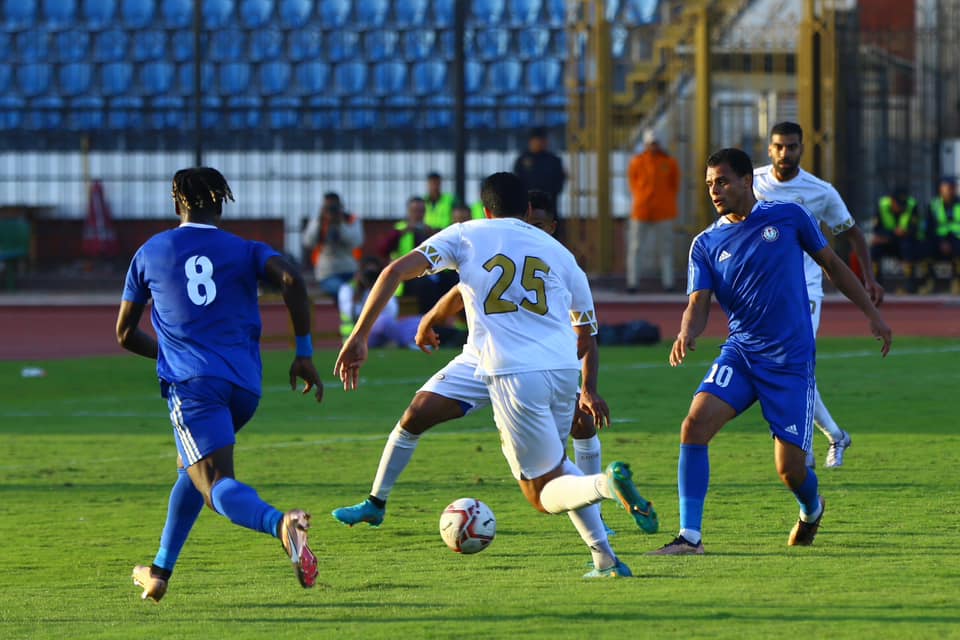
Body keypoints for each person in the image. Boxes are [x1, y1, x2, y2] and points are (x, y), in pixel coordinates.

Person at [334, 172, 657, 578]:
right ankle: (606, 560)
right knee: (419, 413)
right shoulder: (559, 253)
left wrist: (359, 336)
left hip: (513, 369)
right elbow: (586, 329)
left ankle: (605, 488)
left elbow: (392, 273)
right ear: (527, 210)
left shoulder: (467, 233)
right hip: (543, 364)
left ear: (484, 210)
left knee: (543, 494)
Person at [649, 149, 891, 556]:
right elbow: (699, 301)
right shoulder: (705, 243)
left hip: (791, 362)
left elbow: (831, 263)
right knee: (694, 426)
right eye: (709, 184)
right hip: (742, 354)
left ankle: (812, 510)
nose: (715, 190)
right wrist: (686, 332)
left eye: (722, 181)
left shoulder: (789, 217)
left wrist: (871, 313)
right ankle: (690, 537)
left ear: (747, 181)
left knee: (790, 470)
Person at [116, 167, 324, 602]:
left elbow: (123, 333)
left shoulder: (151, 251)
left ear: (177, 204)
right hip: (245, 387)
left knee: (213, 483)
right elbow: (291, 279)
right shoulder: (246, 249)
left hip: (194, 386)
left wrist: (170, 354)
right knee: (190, 470)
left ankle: (280, 526)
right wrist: (303, 352)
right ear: (222, 204)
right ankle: (159, 571)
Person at [753, 121, 884, 469]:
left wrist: (868, 278)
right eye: (779, 146)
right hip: (765, 293)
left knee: (796, 366)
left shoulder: (819, 191)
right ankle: (836, 436)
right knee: (780, 369)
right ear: (769, 149)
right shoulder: (752, 182)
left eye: (792, 146)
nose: (785, 153)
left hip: (805, 289)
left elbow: (853, 234)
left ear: (801, 149)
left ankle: (802, 444)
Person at [626, 129, 681, 293]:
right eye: (650, 144)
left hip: (664, 211)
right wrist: (641, 197)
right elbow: (633, 182)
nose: (653, 147)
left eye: (655, 143)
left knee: (666, 248)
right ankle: (632, 283)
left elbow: (674, 185)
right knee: (636, 248)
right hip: (641, 210)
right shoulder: (637, 161)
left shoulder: (669, 162)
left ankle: (668, 283)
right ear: (645, 144)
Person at [338, 257, 421, 348]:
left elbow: (392, 312)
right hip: (357, 336)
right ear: (359, 274)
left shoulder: (382, 286)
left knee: (418, 320)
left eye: (374, 274)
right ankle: (406, 344)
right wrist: (359, 293)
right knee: (384, 321)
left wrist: (377, 290)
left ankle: (411, 342)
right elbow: (352, 314)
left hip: (383, 332)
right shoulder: (348, 288)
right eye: (367, 274)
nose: (370, 277)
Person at [302, 192, 364, 297]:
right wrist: (322, 223)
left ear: (341, 206)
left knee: (358, 291)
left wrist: (340, 224)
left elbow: (357, 242)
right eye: (328, 207)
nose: (331, 210)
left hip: (350, 270)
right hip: (327, 273)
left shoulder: (350, 220)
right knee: (345, 291)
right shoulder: (318, 222)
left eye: (334, 207)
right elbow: (308, 242)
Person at [870, 187, 927, 293]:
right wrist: (891, 234)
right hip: (887, 241)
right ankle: (875, 283)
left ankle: (910, 285)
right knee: (875, 248)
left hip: (905, 240)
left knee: (908, 247)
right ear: (891, 200)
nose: (901, 207)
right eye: (898, 204)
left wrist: (901, 233)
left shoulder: (912, 205)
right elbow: (877, 229)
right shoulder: (882, 205)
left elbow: (914, 228)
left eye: (903, 204)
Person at [514, 127, 566, 236]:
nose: (541, 143)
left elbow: (559, 182)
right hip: (527, 207)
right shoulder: (522, 160)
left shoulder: (553, 160)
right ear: (531, 141)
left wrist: (547, 196)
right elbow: (518, 183)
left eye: (543, 140)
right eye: (538, 140)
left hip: (548, 206)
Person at [929, 176, 960, 294]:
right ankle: (930, 282)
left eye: (953, 187)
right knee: (926, 249)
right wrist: (941, 241)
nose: (951, 190)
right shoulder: (934, 205)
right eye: (948, 187)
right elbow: (930, 227)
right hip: (938, 240)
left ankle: (957, 282)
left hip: (957, 239)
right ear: (941, 189)